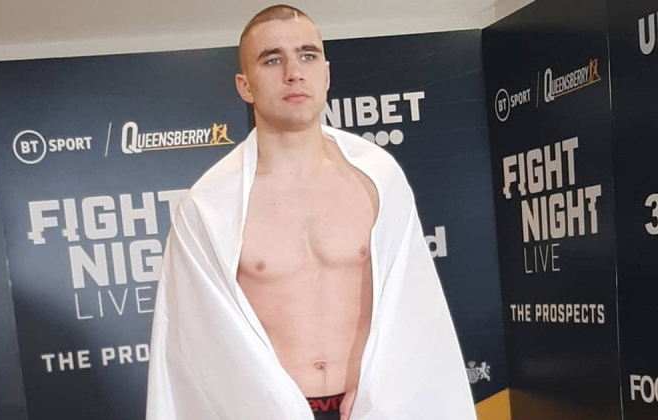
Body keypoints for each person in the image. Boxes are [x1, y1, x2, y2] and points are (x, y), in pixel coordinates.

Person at [147, 5, 475, 419]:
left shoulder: (378, 178)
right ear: (245, 86)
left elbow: (413, 304)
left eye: (307, 55)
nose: (294, 73)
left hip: (375, 408)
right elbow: (195, 341)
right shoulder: (210, 205)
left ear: (326, 73)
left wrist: (381, 388)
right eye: (272, 60)